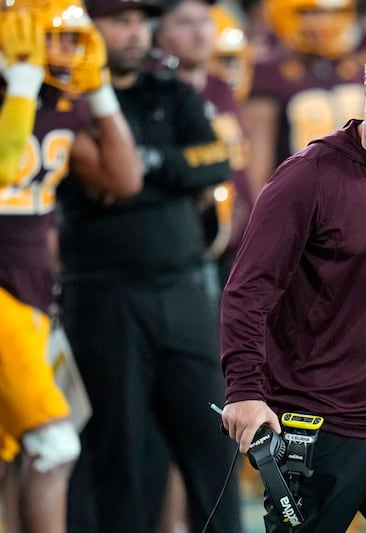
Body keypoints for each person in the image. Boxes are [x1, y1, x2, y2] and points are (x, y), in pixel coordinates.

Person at [220, 38, 366, 533]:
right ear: (364, 95)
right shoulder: (307, 176)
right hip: (318, 425)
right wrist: (243, 389)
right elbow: (248, 291)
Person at [55, 0, 242, 531]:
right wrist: (166, 174)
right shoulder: (68, 104)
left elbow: (217, 159)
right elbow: (106, 182)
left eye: (140, 20)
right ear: (88, 29)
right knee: (125, 455)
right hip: (102, 296)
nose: (134, 32)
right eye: (119, 20)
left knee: (214, 447)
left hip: (183, 291)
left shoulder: (173, 93)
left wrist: (151, 163)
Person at [0, 1, 142, 531]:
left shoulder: (56, 100)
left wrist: (100, 91)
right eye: (57, 38)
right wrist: (17, 85)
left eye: (76, 40)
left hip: (31, 286)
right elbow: (5, 165)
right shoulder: (18, 90)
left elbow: (123, 178)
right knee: (54, 443)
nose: (70, 52)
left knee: (11, 451)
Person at [241, 0, 366, 192]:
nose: (323, 22)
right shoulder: (270, 71)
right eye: (309, 12)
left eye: (334, 12)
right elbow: (258, 166)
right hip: (302, 200)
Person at [155, 0, 254, 300]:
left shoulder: (221, 87)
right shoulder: (155, 93)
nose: (199, 33)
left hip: (236, 244)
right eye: (184, 23)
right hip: (184, 245)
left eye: (204, 20)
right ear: (159, 34)